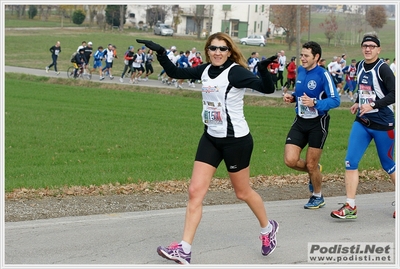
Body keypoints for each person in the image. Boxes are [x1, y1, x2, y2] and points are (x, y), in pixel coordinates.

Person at [137, 32, 279, 265]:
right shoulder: (204, 70)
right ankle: (184, 248)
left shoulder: (235, 72)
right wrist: (161, 53)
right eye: (213, 48)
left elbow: (267, 89)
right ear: (207, 50)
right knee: (195, 191)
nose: (217, 53)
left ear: (230, 51)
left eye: (223, 49)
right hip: (211, 138)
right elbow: (175, 73)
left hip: (236, 141)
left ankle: (267, 228)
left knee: (242, 192)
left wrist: (263, 69)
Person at [331, 33, 395, 220]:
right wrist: (359, 102)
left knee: (388, 165)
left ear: (378, 49)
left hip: (383, 123)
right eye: (365, 45)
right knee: (350, 161)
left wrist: (373, 105)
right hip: (363, 121)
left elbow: (394, 94)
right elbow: (365, 89)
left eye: (372, 46)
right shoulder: (359, 66)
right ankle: (350, 206)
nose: (368, 49)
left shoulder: (383, 68)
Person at [283, 41, 340, 209]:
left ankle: (317, 196)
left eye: (306, 56)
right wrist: (292, 97)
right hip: (300, 121)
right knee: (290, 160)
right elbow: (301, 93)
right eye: (301, 55)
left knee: (311, 164)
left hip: (318, 123)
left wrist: (315, 102)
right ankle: (314, 170)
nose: (303, 58)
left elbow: (335, 100)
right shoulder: (300, 71)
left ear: (317, 57)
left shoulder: (323, 75)